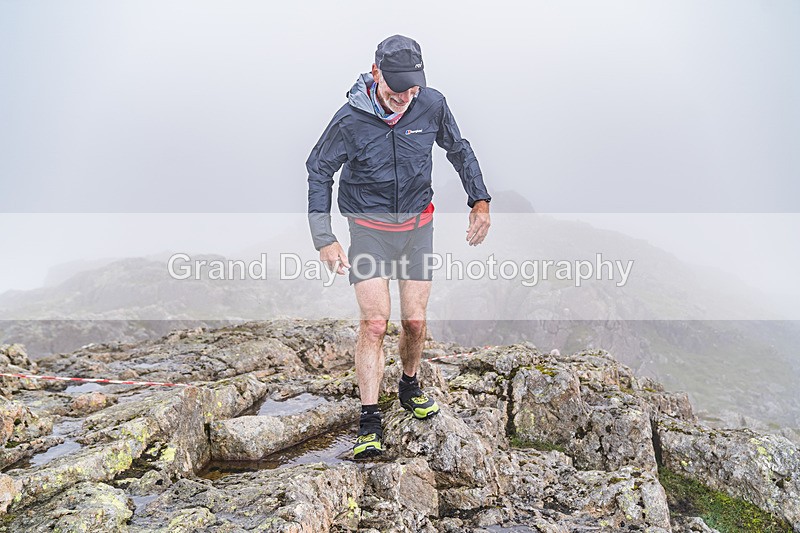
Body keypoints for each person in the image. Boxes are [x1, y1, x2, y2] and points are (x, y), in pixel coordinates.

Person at [306, 35, 491, 459]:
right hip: (368, 229)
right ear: (376, 73)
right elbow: (318, 169)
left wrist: (479, 200)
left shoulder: (431, 104)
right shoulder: (349, 120)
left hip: (417, 227)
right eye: (397, 88)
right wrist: (324, 237)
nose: (405, 97)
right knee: (375, 323)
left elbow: (459, 149)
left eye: (413, 88)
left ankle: (409, 385)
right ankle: (369, 420)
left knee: (414, 321)